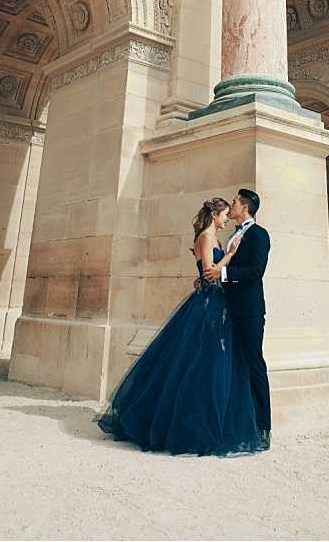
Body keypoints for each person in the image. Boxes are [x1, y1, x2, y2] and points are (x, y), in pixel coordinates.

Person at [96, 197, 263, 456]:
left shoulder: (217, 238)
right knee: (195, 363)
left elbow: (210, 275)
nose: (226, 218)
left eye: (230, 212)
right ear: (214, 215)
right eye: (224, 214)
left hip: (221, 303)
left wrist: (219, 267)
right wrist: (228, 256)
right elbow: (209, 272)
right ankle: (185, 424)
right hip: (209, 304)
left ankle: (205, 420)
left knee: (207, 364)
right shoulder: (207, 239)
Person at [202, 189, 272, 450]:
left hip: (249, 311)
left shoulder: (259, 234)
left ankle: (263, 427)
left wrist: (221, 275)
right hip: (227, 308)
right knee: (231, 364)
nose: (230, 206)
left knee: (254, 364)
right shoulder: (232, 234)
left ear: (244, 207)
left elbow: (256, 271)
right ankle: (235, 423)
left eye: (234, 202)